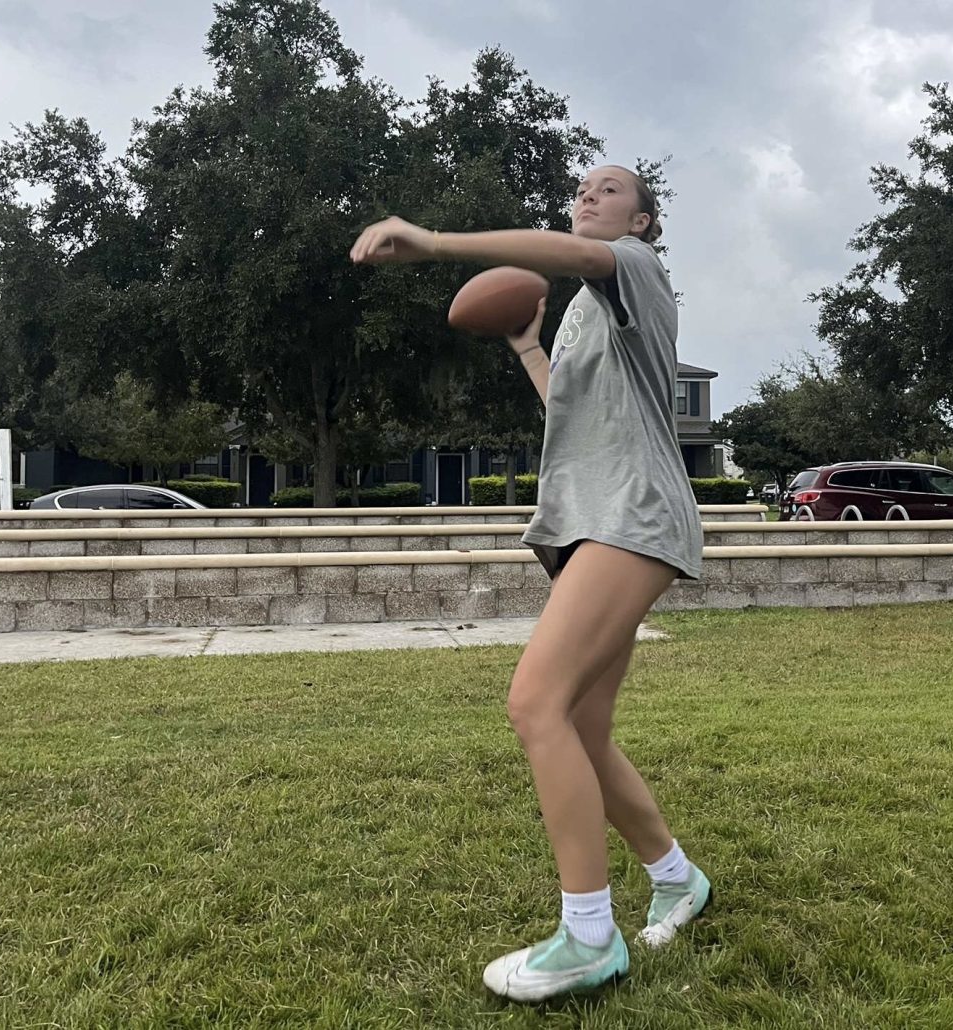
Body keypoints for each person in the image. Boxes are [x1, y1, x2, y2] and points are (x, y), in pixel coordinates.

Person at [350, 165, 710, 1002]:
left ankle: (589, 937)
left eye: (610, 190)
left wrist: (436, 243)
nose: (589, 196)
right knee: (581, 725)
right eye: (582, 189)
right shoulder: (586, 312)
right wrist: (526, 346)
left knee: (534, 701)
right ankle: (677, 876)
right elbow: (570, 416)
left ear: (646, 222)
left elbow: (562, 254)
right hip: (591, 525)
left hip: (635, 514)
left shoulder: (636, 271)